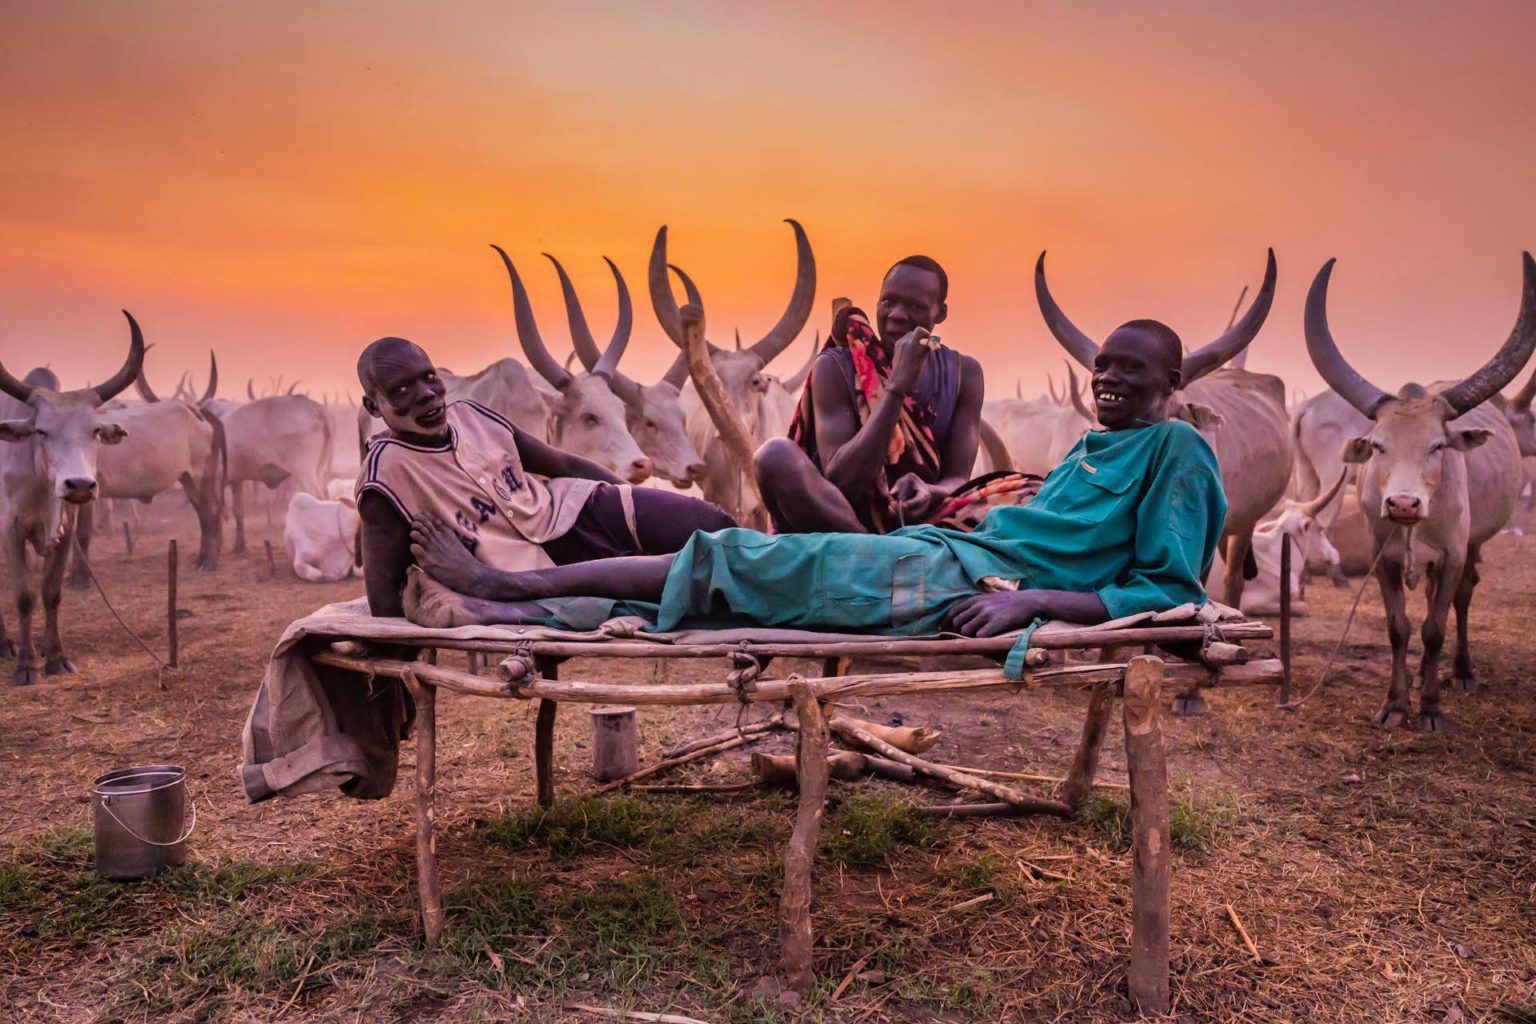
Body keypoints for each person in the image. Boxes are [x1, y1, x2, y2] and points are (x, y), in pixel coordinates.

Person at [402, 320, 1227, 655]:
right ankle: (522, 605)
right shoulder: (1096, 446)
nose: (1109, 378)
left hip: (949, 585)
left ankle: (508, 583)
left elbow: (1163, 589)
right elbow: (1038, 527)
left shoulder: (1177, 451)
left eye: (1132, 369)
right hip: (934, 555)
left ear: (1173, 379)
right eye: (1104, 364)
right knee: (731, 580)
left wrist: (1029, 606)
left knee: (725, 556)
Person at [354, 337, 734, 617]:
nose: (426, 395)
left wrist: (627, 501)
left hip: (574, 510)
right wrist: (448, 582)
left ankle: (762, 575)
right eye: (401, 390)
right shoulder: (384, 478)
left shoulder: (472, 414)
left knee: (713, 526)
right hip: (530, 573)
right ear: (374, 406)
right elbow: (384, 602)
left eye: (429, 377)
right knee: (681, 582)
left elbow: (564, 466)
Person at [753, 257, 1023, 534]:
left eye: (915, 306)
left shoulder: (964, 373)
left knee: (1029, 492)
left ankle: (890, 551)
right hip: (844, 521)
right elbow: (843, 481)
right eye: (888, 302)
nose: (896, 315)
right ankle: (879, 552)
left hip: (929, 516)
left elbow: (957, 478)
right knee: (774, 456)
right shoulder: (836, 366)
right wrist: (896, 387)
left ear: (939, 313)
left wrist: (930, 491)